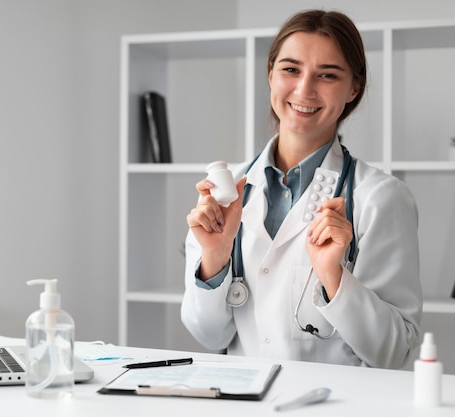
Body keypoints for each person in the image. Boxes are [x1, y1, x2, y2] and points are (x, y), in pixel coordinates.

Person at [181, 9, 422, 369]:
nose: (304, 90)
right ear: (270, 74)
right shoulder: (223, 191)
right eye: (290, 69)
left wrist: (334, 277)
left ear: (354, 87)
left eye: (327, 75)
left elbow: (395, 352)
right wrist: (214, 259)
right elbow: (209, 336)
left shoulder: (380, 198)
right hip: (245, 401)